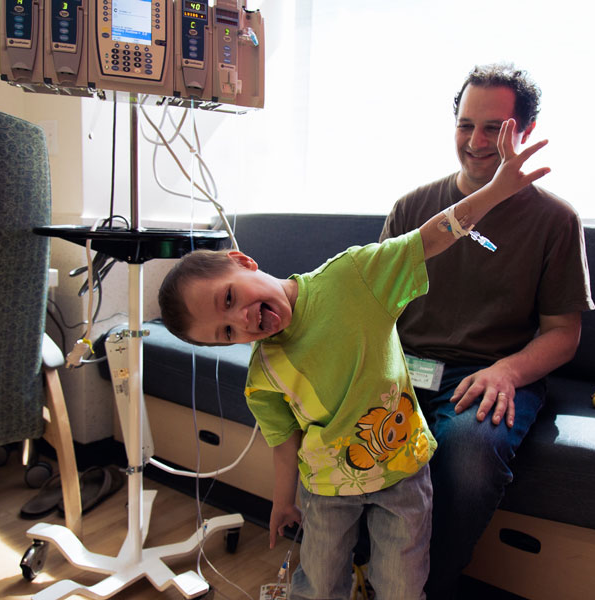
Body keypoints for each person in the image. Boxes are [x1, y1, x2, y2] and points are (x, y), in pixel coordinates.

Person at [158, 119, 550, 600]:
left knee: (402, 587)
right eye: (226, 333)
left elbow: (430, 238)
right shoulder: (263, 375)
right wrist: (283, 501)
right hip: (325, 490)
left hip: (403, 469)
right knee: (319, 586)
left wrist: (495, 190)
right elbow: (285, 442)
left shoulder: (352, 277)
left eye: (229, 300)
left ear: (243, 263)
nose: (243, 321)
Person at [380, 63, 595, 598]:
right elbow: (371, 301)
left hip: (491, 373)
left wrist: (507, 371)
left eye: (493, 128)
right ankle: (363, 568)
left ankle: (426, 589)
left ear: (522, 132)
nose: (475, 142)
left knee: (470, 453)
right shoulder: (413, 207)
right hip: (404, 364)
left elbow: (563, 332)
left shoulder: (556, 222)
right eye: (465, 125)